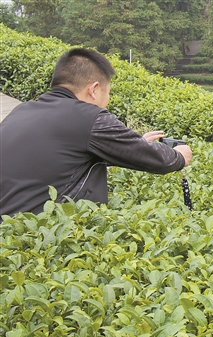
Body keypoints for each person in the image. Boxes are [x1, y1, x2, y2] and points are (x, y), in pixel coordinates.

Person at [0, 48, 192, 218]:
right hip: (38, 238)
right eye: (107, 93)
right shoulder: (90, 117)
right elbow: (158, 160)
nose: (107, 100)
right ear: (94, 89)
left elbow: (63, 155)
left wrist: (137, 142)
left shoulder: (22, 111)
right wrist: (179, 156)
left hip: (11, 233)